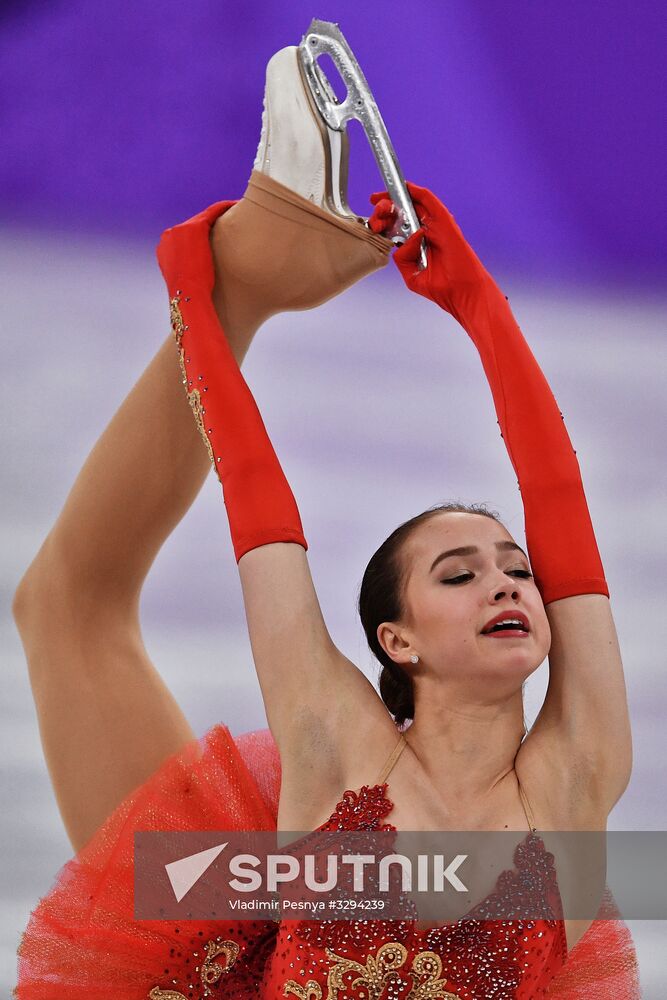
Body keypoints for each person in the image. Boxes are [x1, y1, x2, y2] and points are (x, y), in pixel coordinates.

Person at [12, 44, 640, 1000]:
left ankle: (264, 258)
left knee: (68, 608)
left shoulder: (573, 778)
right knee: (70, 610)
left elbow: (556, 494)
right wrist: (199, 310)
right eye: (459, 574)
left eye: (515, 569)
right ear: (396, 641)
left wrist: (478, 303)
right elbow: (258, 501)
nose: (506, 583)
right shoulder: (337, 744)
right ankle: (261, 263)